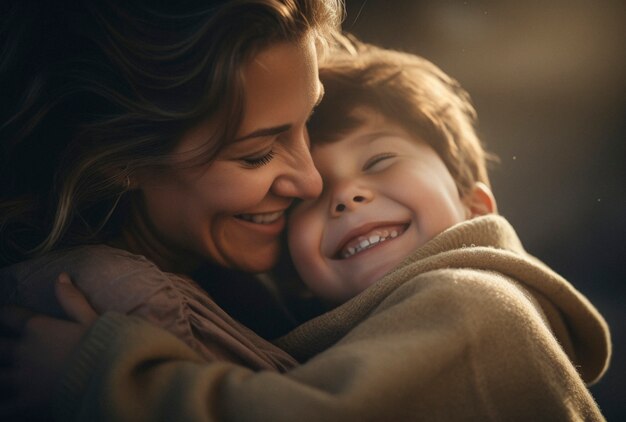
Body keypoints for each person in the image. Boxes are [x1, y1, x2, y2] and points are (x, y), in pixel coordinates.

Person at [1, 22, 611, 418]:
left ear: (476, 203)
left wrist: (107, 376)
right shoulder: (334, 324)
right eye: (258, 152)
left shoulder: (474, 302)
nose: (332, 192)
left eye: (379, 161)